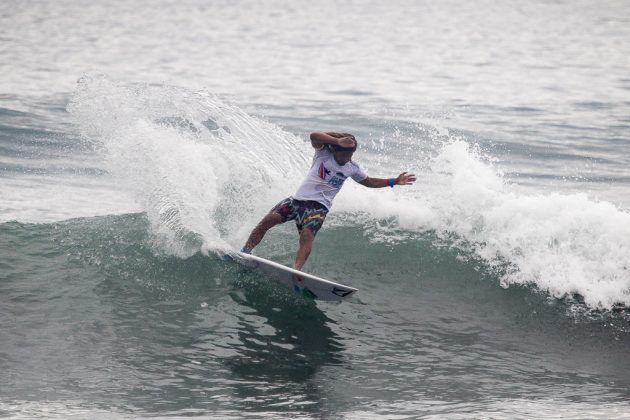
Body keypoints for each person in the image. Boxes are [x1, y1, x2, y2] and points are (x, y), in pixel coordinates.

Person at [241, 131, 416, 270]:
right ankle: (245, 252)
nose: (345, 159)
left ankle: (296, 270)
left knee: (307, 235)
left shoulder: (351, 168)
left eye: (349, 155)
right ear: (335, 149)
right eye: (343, 155)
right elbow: (314, 135)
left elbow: (369, 181)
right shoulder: (323, 154)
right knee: (267, 221)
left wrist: (394, 181)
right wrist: (337, 140)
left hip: (318, 208)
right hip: (296, 201)